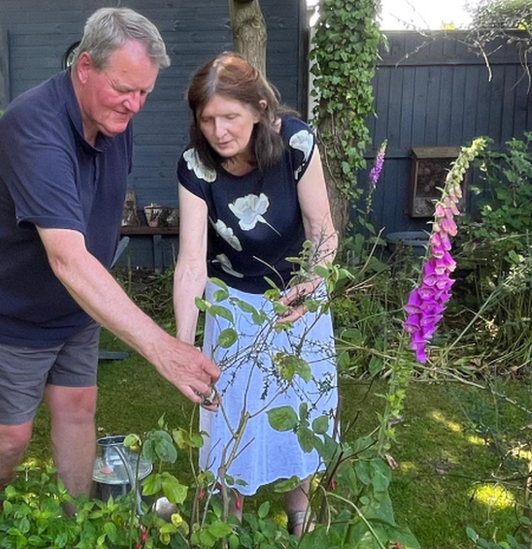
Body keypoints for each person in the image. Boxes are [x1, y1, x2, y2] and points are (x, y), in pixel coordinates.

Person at [0, 8, 220, 499]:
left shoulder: (114, 119)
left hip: (77, 306)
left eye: (144, 92)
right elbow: (67, 258)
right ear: (84, 67)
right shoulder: (34, 128)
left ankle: (77, 526)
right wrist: (164, 349)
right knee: (11, 437)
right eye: (125, 89)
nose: (135, 105)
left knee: (79, 409)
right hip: (10, 307)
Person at [173, 52, 338, 534]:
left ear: (261, 108)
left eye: (230, 116)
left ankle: (299, 513)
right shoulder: (194, 166)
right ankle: (226, 519)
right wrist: (182, 345)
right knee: (229, 418)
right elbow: (189, 263)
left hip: (295, 299)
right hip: (230, 303)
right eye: (207, 119)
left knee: (303, 405)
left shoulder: (296, 143)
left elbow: (322, 229)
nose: (218, 131)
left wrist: (316, 280)